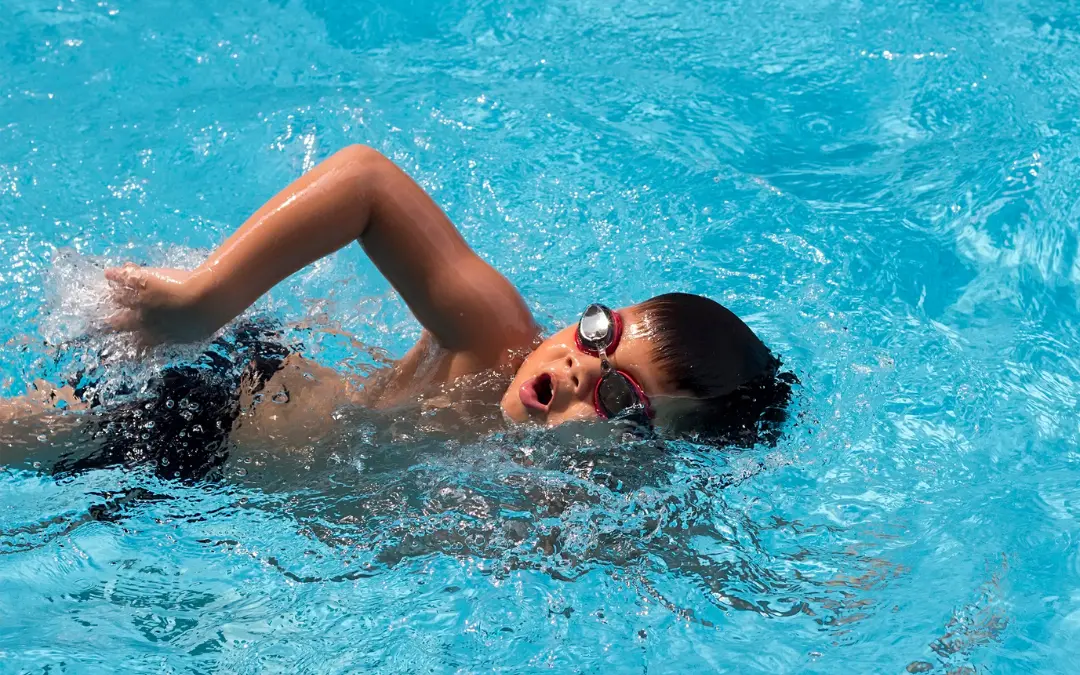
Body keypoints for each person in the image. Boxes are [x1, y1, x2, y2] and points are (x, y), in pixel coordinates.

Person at [1, 145, 795, 479]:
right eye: (599, 333)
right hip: (207, 409)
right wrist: (198, 303)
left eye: (619, 397)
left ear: (652, 456)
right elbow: (366, 183)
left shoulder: (592, 515)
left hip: (218, 498)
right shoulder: (494, 339)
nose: (580, 367)